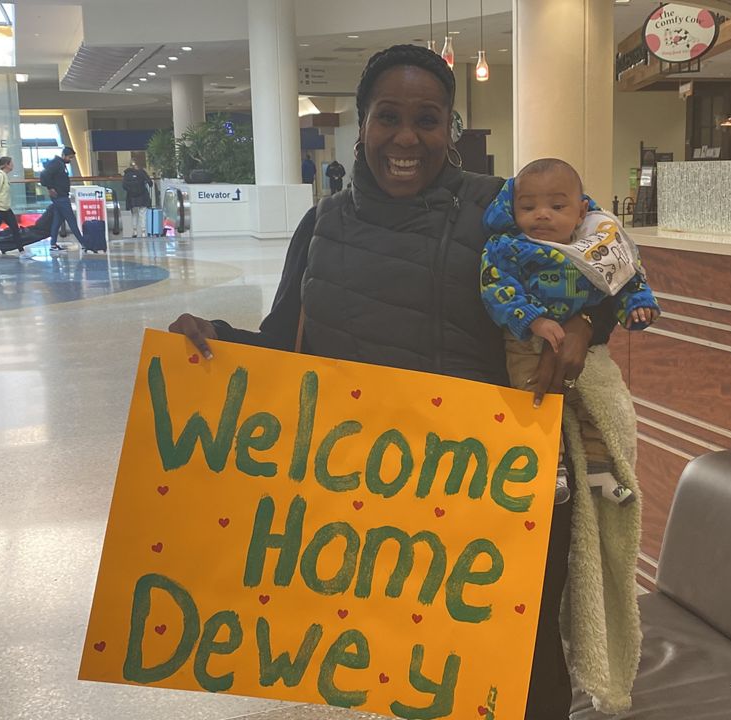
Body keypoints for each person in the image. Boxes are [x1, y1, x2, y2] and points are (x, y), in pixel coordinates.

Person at [170, 45, 620, 719]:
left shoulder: (502, 209)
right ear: (362, 125)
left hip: (497, 483)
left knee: (520, 670)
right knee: (405, 669)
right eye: (388, 117)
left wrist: (584, 326)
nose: (407, 138)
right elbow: (287, 344)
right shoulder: (322, 225)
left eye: (427, 119)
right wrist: (214, 339)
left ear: (451, 129)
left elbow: (606, 275)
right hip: (382, 496)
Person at [481, 158, 659, 506]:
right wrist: (533, 319)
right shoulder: (509, 246)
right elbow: (496, 287)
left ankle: (599, 469)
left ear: (581, 212)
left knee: (598, 406)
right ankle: (552, 466)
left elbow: (624, 278)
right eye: (528, 207)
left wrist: (637, 304)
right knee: (536, 403)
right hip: (525, 342)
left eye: (556, 206)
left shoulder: (597, 242)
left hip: (586, 349)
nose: (542, 214)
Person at [38, 146, 78, 251]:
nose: (70, 159)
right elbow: (44, 174)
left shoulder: (61, 164)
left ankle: (53, 244)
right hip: (60, 197)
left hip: (61, 196)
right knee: (71, 220)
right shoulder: (56, 164)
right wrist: (50, 187)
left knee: (57, 221)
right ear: (63, 155)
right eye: (69, 157)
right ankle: (84, 243)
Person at [122, 161, 153, 238]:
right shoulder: (142, 172)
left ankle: (135, 231)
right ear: (137, 166)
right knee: (143, 213)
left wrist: (131, 190)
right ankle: (143, 231)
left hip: (132, 197)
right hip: (143, 196)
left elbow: (124, 186)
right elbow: (150, 183)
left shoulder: (127, 174)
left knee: (134, 214)